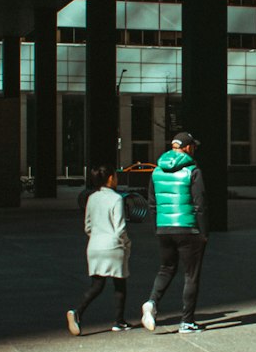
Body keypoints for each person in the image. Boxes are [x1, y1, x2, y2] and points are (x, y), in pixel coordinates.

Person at [141, 132, 208, 333]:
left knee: (166, 268)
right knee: (191, 275)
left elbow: (151, 204)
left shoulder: (156, 171)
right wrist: (203, 232)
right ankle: (187, 321)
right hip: (188, 228)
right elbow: (200, 204)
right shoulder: (193, 171)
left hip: (164, 228)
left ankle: (152, 302)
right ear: (187, 148)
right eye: (193, 146)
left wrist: (157, 227)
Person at [66, 165, 131, 336]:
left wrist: (95, 236)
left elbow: (87, 226)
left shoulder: (91, 198)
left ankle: (78, 311)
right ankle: (119, 321)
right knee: (120, 284)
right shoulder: (116, 199)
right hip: (113, 246)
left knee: (97, 285)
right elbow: (120, 227)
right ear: (110, 179)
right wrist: (126, 242)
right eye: (115, 177)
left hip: (94, 245)